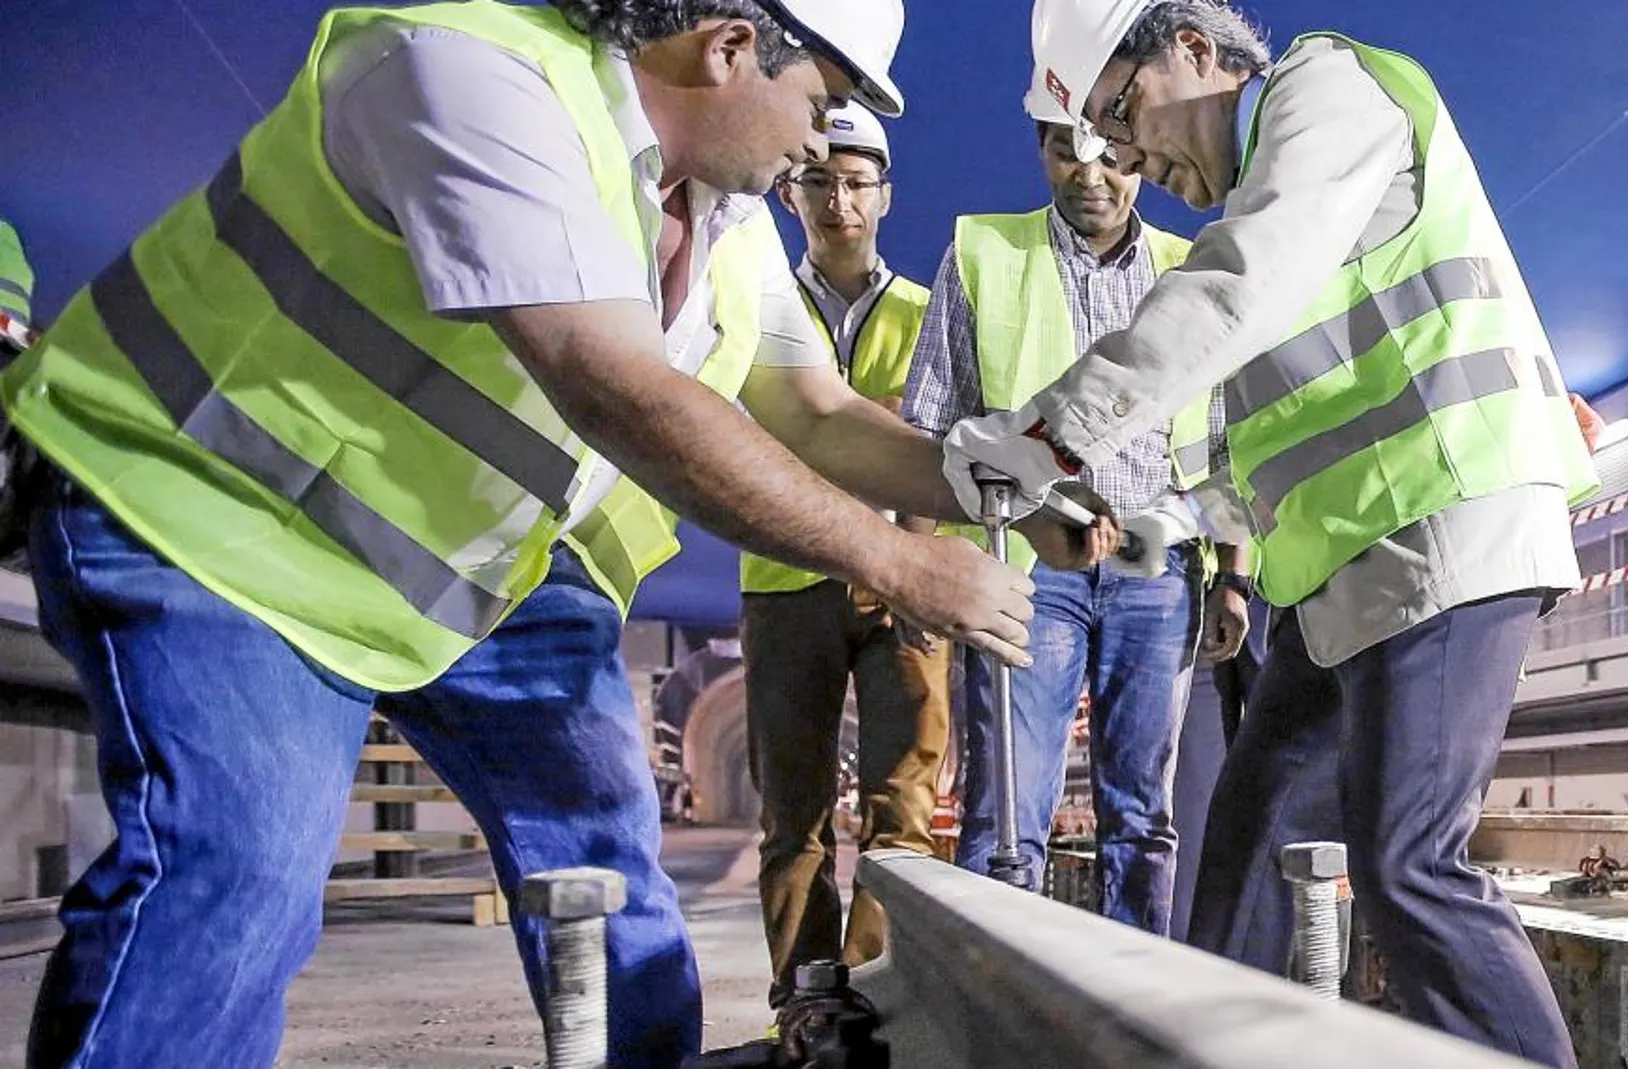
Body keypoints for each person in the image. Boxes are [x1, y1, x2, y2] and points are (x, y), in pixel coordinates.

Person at [0, 2, 1108, 1066]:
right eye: (819, 102)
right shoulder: (477, 78)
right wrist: (897, 560)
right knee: (235, 875)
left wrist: (989, 487)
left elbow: (811, 410)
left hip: (456, 572)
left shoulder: (728, 228)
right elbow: (616, 388)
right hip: (215, 515)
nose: (819, 144)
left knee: (605, 857)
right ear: (731, 47)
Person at [943, 1, 1604, 1064]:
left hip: (1442, 527)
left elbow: (1236, 290)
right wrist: (1141, 529)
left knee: (1409, 865)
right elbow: (1240, 462)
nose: (1126, 155)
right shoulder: (1258, 212)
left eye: (1121, 111)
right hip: (1347, 572)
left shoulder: (1328, 93)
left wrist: (1040, 441)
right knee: (1247, 844)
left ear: (1195, 53)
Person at [906, 91, 1249, 937]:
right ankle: (1001, 996)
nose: (1089, 175)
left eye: (1105, 155)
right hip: (1027, 566)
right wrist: (915, 574)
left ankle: (1131, 1002)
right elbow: (929, 419)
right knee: (1007, 810)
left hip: (1156, 563)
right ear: (1040, 149)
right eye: (1066, 152)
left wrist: (1235, 579)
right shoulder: (982, 252)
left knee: (1142, 813)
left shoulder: (1187, 268)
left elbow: (1225, 440)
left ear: (1133, 155)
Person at [737, 101, 952, 1012]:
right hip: (785, 579)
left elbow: (940, 444)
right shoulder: (755, 306)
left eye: (857, 181)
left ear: (885, 195)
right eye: (818, 179)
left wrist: (921, 564)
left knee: (902, 807)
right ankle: (802, 996)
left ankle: (873, 990)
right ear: (791, 192)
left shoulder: (929, 309)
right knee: (794, 815)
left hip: (905, 575)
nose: (838, 200)